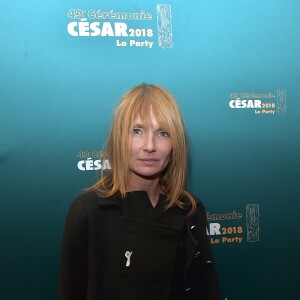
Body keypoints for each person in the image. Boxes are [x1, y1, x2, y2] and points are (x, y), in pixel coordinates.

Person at [58, 84, 221, 300]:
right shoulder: (89, 212)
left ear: (175, 144)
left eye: (163, 133)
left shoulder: (189, 210)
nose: (150, 146)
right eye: (137, 131)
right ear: (119, 138)